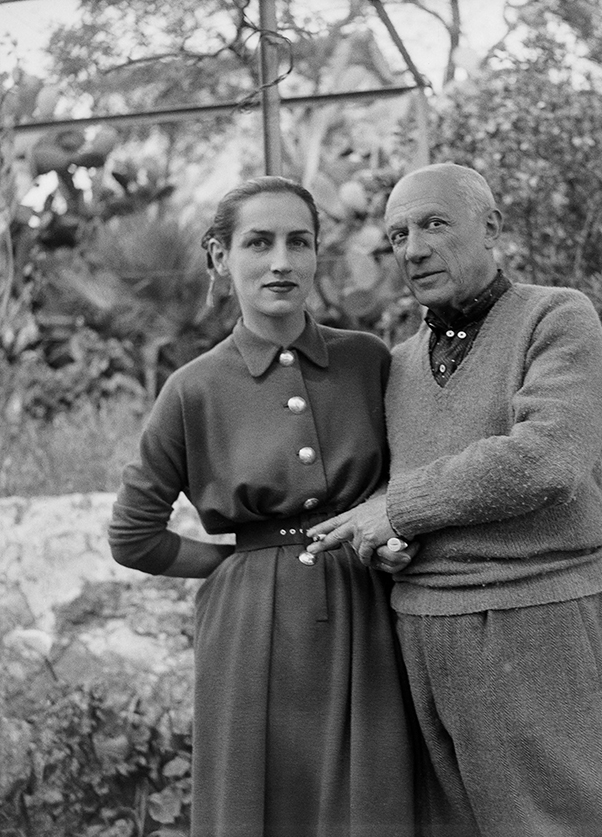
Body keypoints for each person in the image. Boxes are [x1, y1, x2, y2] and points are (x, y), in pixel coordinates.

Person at [306, 163, 602, 837]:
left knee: (576, 824)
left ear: (491, 227)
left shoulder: (555, 316)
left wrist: (398, 509)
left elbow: (546, 459)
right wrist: (393, 546)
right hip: (423, 638)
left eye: (433, 223)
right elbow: (406, 499)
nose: (414, 248)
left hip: (539, 620)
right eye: (398, 233)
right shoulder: (399, 363)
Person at [108, 175, 417, 837]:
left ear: (315, 255)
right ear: (220, 257)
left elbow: (411, 472)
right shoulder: (191, 390)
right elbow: (134, 535)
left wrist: (387, 525)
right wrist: (232, 565)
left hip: (367, 610)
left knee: (374, 800)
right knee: (260, 805)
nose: (281, 260)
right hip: (249, 628)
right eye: (258, 242)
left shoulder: (369, 360)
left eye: (298, 242)